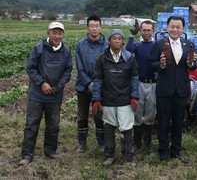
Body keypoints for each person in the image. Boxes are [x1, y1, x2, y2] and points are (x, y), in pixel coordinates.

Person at [19, 22, 72, 165]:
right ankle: (27, 154)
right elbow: (31, 68)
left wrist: (60, 85)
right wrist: (41, 83)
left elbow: (68, 70)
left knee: (53, 125)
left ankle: (50, 150)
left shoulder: (66, 51)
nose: (57, 36)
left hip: (55, 95)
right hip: (37, 94)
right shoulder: (38, 49)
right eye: (54, 32)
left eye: (59, 33)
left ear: (63, 35)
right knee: (32, 124)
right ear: (48, 33)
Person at [150, 15, 197, 163]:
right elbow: (152, 64)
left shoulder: (188, 44)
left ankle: (176, 151)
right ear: (167, 27)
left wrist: (191, 63)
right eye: (172, 26)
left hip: (181, 90)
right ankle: (163, 152)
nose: (175, 29)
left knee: (178, 122)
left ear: (183, 29)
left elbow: (192, 66)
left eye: (178, 27)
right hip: (164, 89)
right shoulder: (158, 44)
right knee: (163, 122)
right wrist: (161, 64)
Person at [92, 29, 139, 166]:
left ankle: (128, 157)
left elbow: (134, 78)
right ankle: (109, 155)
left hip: (125, 99)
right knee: (109, 127)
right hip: (108, 99)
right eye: (114, 38)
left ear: (123, 41)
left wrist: (134, 96)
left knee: (127, 128)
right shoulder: (102, 58)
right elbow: (97, 79)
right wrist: (96, 98)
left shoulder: (130, 58)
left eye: (119, 38)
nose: (117, 41)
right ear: (109, 41)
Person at [75, 15, 108, 153]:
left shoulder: (107, 45)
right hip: (83, 86)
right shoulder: (80, 45)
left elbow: (107, 67)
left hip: (100, 88)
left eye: (97, 26)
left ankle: (101, 143)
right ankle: (82, 143)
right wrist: (89, 83)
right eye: (92, 26)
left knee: (99, 116)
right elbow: (80, 67)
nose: (94, 28)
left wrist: (98, 85)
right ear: (87, 27)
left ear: (100, 27)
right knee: (82, 116)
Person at [126, 20, 157, 154]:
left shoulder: (157, 46)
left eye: (149, 30)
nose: (146, 32)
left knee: (150, 114)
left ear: (153, 31)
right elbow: (126, 52)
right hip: (139, 83)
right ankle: (137, 144)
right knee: (137, 114)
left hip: (153, 84)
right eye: (143, 30)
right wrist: (131, 36)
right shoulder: (137, 46)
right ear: (140, 31)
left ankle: (148, 145)